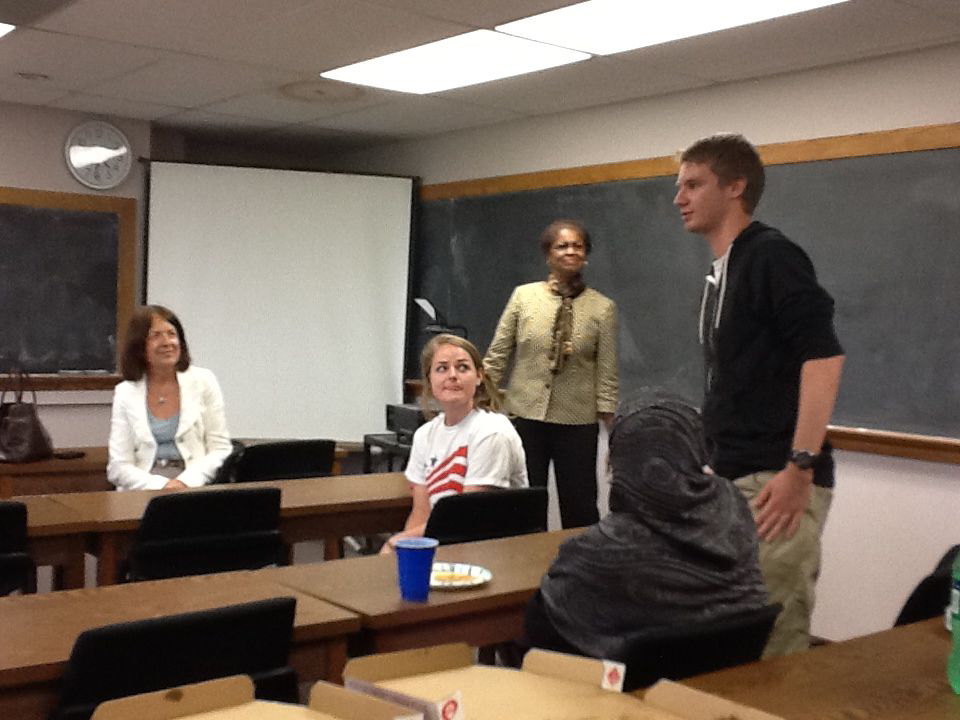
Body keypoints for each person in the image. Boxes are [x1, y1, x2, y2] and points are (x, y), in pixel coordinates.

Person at [673, 133, 845, 656]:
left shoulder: (771, 256)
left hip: (776, 481)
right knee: (731, 637)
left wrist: (800, 467)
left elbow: (823, 357)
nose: (679, 198)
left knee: (773, 642)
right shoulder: (722, 270)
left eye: (693, 185)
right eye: (679, 186)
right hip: (733, 476)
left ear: (735, 186)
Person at [524, 393, 767, 661]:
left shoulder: (596, 555)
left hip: (629, 686)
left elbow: (541, 628)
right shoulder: (733, 512)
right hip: (722, 679)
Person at [483, 219, 617, 529]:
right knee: (523, 503)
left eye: (578, 246)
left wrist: (611, 422)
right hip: (524, 414)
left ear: (586, 255)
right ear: (548, 255)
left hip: (577, 420)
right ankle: (525, 559)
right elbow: (499, 352)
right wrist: (481, 396)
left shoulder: (602, 307)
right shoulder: (523, 297)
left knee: (580, 504)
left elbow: (607, 368)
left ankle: (580, 558)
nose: (571, 251)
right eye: (562, 246)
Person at [382, 334, 528, 551]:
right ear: (429, 380)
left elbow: (465, 516)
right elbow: (421, 513)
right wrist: (408, 550)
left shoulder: (492, 432)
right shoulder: (424, 435)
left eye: (462, 367)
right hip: (442, 542)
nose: (452, 375)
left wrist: (398, 541)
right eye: (442, 368)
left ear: (478, 376)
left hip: (488, 549)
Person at [107, 305, 232, 491]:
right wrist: (162, 485)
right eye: (156, 336)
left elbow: (221, 450)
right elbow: (118, 467)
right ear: (139, 347)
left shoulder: (204, 381)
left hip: (195, 487)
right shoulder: (125, 392)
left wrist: (185, 482)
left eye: (172, 334)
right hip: (143, 490)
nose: (167, 342)